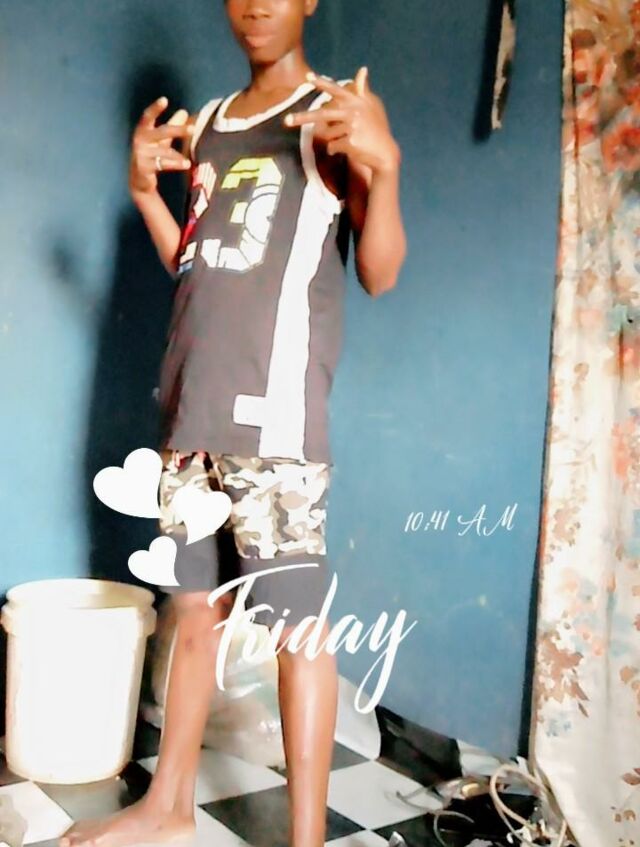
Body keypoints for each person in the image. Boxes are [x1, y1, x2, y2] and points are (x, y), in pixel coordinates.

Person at [59, 1, 406, 846]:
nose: (255, 5)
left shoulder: (334, 113)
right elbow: (196, 259)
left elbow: (380, 273)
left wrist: (386, 168)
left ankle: (306, 839)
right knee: (192, 609)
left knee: (297, 629)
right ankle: (168, 804)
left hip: (275, 417)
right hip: (192, 407)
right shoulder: (211, 123)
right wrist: (144, 192)